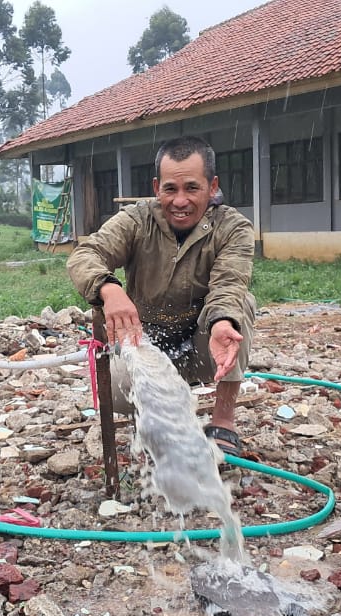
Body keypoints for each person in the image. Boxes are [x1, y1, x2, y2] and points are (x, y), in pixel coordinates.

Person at [68, 136, 255, 457]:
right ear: (157, 187)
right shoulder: (136, 220)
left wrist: (223, 322)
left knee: (243, 304)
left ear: (212, 187)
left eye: (192, 188)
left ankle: (224, 419)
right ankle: (157, 415)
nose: (180, 201)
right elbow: (85, 255)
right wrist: (109, 289)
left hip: (203, 341)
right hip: (146, 341)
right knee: (118, 394)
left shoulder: (233, 228)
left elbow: (229, 284)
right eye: (170, 189)